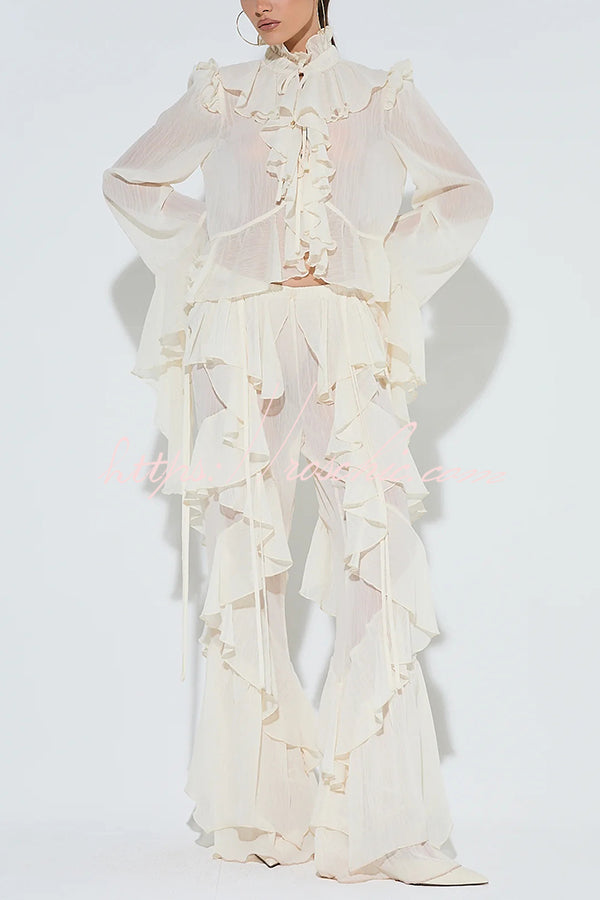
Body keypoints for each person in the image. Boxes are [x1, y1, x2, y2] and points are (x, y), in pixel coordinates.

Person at [102, 0, 494, 886]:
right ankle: (260, 813)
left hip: (346, 334)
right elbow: (129, 181)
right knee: (247, 560)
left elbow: (466, 194)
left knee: (376, 553)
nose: (256, 3)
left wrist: (375, 260)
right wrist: (221, 248)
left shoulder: (382, 96)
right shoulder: (222, 95)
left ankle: (385, 825)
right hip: (237, 336)